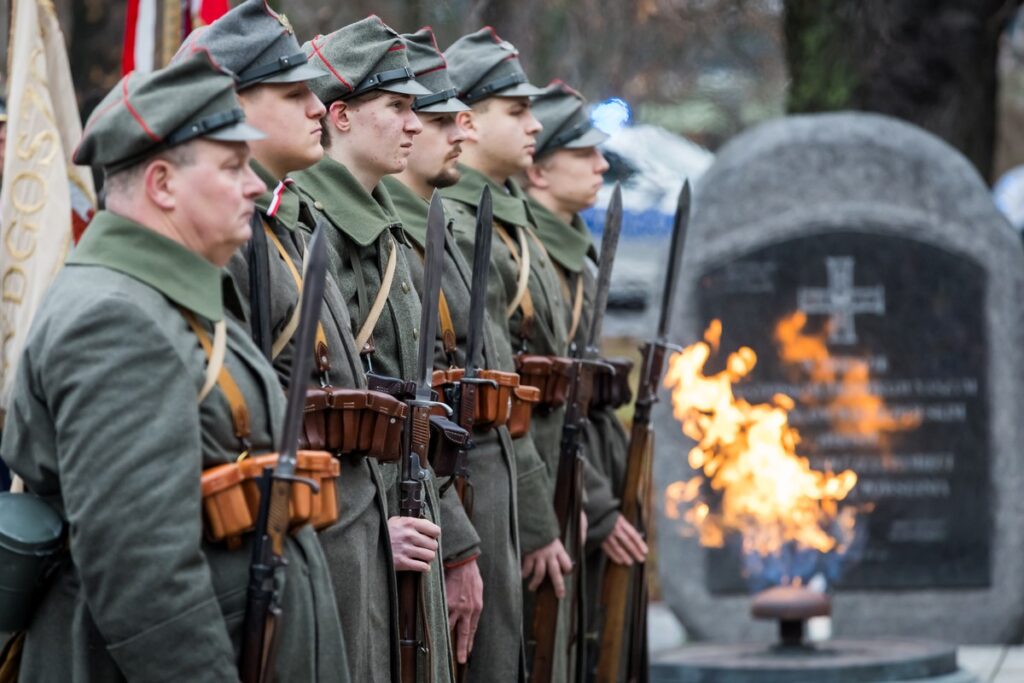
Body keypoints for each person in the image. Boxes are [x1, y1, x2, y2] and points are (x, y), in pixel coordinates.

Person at [0, 53, 348, 682]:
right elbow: (142, 574)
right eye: (232, 165)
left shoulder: (163, 299)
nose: (253, 184)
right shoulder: (114, 321)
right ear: (162, 184)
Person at [175, 3, 396, 680]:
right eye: (292, 92)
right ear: (231, 104)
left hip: (336, 539)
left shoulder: (292, 229)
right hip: (281, 553)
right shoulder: (231, 242)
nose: (316, 106)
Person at [293, 17, 478, 682]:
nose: (412, 123)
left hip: (409, 516)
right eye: (396, 107)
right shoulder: (309, 230)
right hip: (350, 536)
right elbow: (302, 413)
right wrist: (364, 526)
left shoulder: (388, 229)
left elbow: (414, 402)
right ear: (339, 116)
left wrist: (451, 537)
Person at [381, 27, 520, 681]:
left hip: (478, 490)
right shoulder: (394, 240)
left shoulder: (443, 224)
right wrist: (460, 539)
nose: (453, 132)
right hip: (431, 506)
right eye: (434, 118)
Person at [441, 26, 580, 683]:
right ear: (466, 118)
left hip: (531, 465)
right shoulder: (459, 223)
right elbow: (502, 391)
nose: (534, 124)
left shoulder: (502, 219)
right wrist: (536, 511)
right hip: (483, 477)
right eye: (516, 110)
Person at [523, 80, 649, 674]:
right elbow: (537, 402)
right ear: (539, 171)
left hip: (596, 460)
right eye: (582, 153)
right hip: (565, 477)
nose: (600, 164)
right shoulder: (530, 256)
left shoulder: (571, 247)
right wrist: (593, 504)